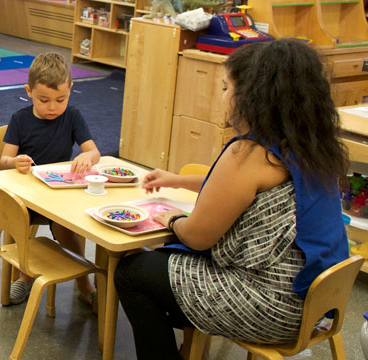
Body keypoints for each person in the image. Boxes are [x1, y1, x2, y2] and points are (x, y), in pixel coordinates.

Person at [115, 39, 350, 359]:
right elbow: (236, 190)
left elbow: (197, 237)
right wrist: (178, 180)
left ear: (251, 96)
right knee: (168, 268)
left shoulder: (251, 153)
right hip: (314, 304)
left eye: (227, 88)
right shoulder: (310, 146)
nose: (222, 97)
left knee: (134, 272)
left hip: (272, 308)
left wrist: (171, 219)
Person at [0, 52, 100, 306]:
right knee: (22, 223)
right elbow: (4, 161)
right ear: (29, 91)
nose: (53, 107)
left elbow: (94, 150)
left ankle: (83, 283)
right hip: (27, 196)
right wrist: (16, 161)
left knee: (67, 225)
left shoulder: (73, 116)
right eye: (44, 100)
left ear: (71, 91)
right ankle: (24, 276)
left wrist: (88, 157)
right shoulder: (20, 119)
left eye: (61, 99)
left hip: (58, 196)